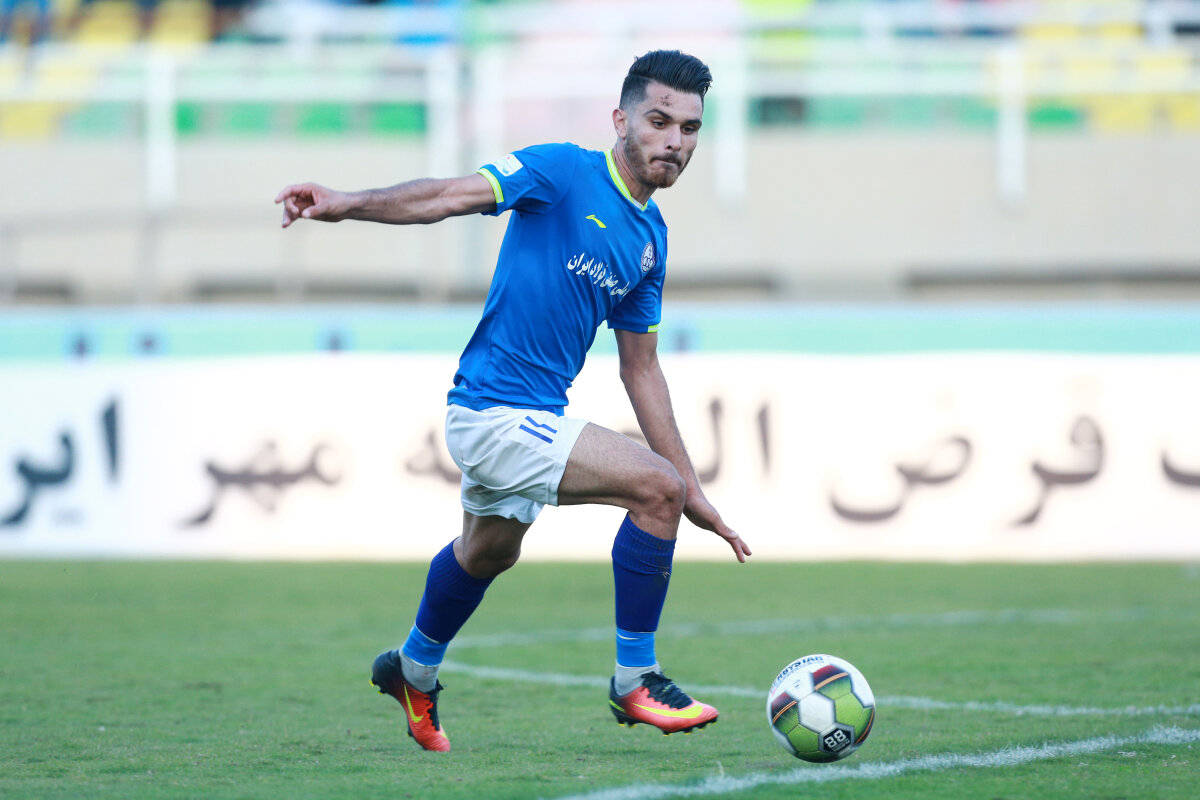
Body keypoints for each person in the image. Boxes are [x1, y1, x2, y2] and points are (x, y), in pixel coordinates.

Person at [274, 49, 751, 753]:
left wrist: (695, 489)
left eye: (689, 128)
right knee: (654, 490)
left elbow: (641, 369)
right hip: (492, 413)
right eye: (659, 121)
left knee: (488, 551)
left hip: (533, 417)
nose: (675, 140)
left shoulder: (650, 239)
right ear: (620, 120)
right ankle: (636, 681)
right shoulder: (561, 171)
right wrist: (347, 204)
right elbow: (448, 195)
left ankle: (411, 668)